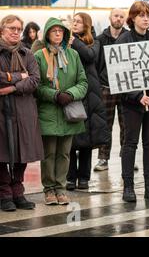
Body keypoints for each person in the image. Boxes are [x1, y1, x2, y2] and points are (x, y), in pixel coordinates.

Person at [115, 1, 149, 203]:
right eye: (141, 15)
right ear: (133, 18)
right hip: (132, 102)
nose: (146, 18)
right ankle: (128, 186)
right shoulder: (123, 40)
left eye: (148, 15)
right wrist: (138, 95)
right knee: (130, 143)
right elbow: (119, 74)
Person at [34, 17, 88, 205]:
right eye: (54, 30)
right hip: (48, 112)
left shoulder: (73, 55)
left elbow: (83, 82)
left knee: (64, 153)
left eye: (61, 31)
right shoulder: (39, 56)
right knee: (48, 154)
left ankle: (60, 188)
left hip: (68, 113)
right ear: (48, 33)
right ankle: (49, 189)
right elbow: (37, 86)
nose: (58, 33)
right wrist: (54, 95)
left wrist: (71, 94)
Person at [0, 15, 44, 212]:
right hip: (2, 111)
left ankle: (18, 191)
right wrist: (18, 77)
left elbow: (34, 79)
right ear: (2, 30)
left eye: (19, 29)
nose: (16, 32)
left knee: (22, 151)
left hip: (25, 111)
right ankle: (4, 193)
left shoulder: (28, 54)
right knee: (1, 153)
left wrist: (11, 88)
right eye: (11, 28)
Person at [66, 12, 109, 191]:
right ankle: (70, 177)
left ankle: (84, 177)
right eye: (73, 21)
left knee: (86, 139)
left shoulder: (95, 42)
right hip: (72, 92)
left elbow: (90, 56)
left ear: (86, 25)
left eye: (78, 22)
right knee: (71, 138)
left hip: (90, 95)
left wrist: (74, 42)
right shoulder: (65, 42)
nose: (74, 24)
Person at [94, 8, 128, 171]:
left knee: (126, 125)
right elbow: (96, 63)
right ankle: (103, 158)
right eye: (116, 15)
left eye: (122, 16)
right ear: (110, 17)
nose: (118, 19)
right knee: (105, 125)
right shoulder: (100, 39)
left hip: (125, 87)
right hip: (106, 87)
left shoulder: (129, 37)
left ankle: (127, 157)